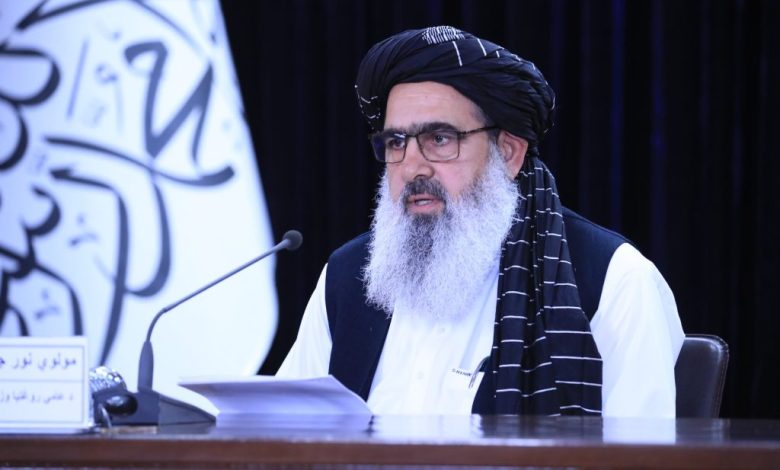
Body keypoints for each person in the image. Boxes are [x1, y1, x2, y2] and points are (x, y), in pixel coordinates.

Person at [277, 26, 684, 417]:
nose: (412, 167)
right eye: (397, 142)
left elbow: (643, 452)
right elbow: (282, 430)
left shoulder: (613, 281)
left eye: (439, 139)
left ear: (508, 153)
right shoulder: (347, 277)